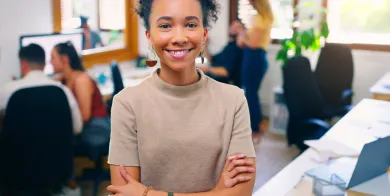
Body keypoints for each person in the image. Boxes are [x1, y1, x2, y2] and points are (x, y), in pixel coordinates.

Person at [107, 0, 256, 196]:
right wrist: (215, 193)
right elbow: (124, 192)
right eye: (165, 26)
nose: (179, 37)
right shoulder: (126, 103)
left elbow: (241, 192)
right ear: (149, 36)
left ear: (204, 35)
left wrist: (147, 194)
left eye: (191, 25)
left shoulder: (234, 100)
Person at [0, 44, 82, 134]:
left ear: (23, 64)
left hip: (18, 147)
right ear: (44, 64)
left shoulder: (8, 90)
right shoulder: (63, 90)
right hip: (57, 147)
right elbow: (77, 128)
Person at [50, 41, 110, 157]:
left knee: (55, 140)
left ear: (65, 59)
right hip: (85, 126)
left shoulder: (81, 80)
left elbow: (85, 116)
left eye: (53, 58)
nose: (50, 62)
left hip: (96, 128)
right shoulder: (64, 79)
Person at [237, 0, 274, 143]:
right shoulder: (263, 17)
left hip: (254, 57)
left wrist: (242, 36)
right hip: (255, 57)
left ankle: (255, 130)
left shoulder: (260, 18)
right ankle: (257, 125)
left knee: (251, 93)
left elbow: (252, 43)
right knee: (252, 93)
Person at [200, 20, 244, 87]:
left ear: (242, 31)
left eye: (238, 27)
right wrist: (204, 44)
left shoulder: (237, 49)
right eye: (233, 26)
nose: (234, 28)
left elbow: (225, 72)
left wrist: (207, 69)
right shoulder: (229, 46)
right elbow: (211, 58)